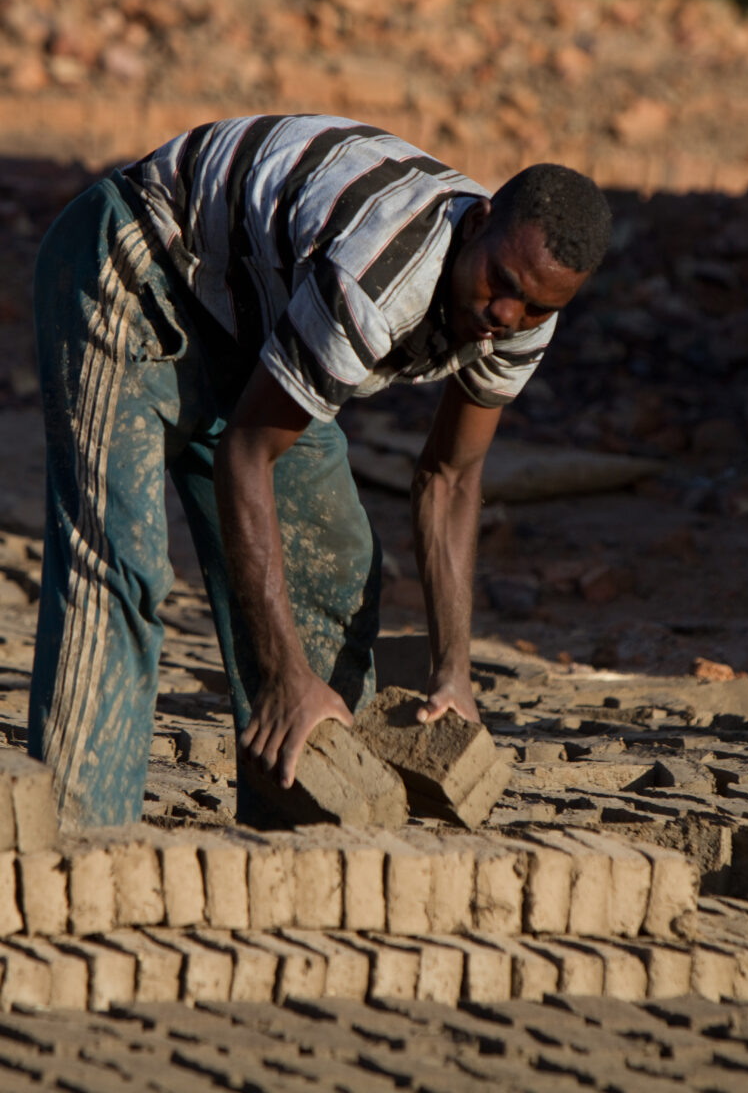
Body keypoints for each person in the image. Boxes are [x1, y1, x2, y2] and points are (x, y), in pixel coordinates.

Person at [29, 113, 612, 828]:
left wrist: (452, 674)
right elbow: (247, 452)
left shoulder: (526, 313)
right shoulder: (384, 272)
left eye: (534, 307)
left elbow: (451, 478)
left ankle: (305, 830)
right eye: (501, 282)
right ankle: (73, 842)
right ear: (480, 219)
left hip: (257, 326)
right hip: (136, 266)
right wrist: (282, 673)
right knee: (121, 565)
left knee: (331, 564)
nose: (503, 314)